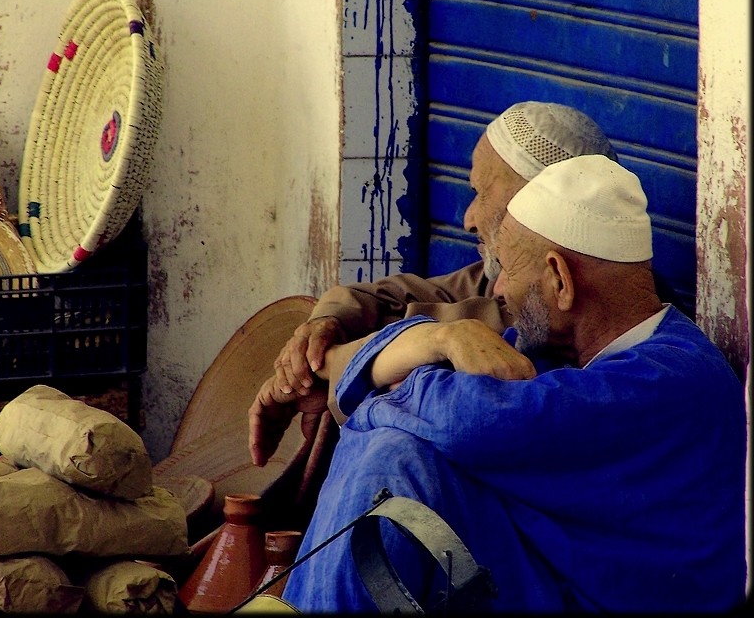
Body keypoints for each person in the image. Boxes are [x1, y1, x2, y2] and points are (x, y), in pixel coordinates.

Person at [276, 154, 747, 613]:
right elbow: (441, 395)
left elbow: (470, 419)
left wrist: (375, 399)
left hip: (593, 595)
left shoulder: (673, 380)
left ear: (560, 278)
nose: (497, 291)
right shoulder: (554, 351)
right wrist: (441, 339)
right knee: (397, 450)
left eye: (506, 270)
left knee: (394, 456)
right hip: (552, 571)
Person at [249, 100, 621, 466]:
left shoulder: (569, 325)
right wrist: (325, 326)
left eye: (480, 193)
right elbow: (391, 298)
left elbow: (420, 351)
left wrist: (331, 365)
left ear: (533, 205)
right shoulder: (493, 277)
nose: (469, 219)